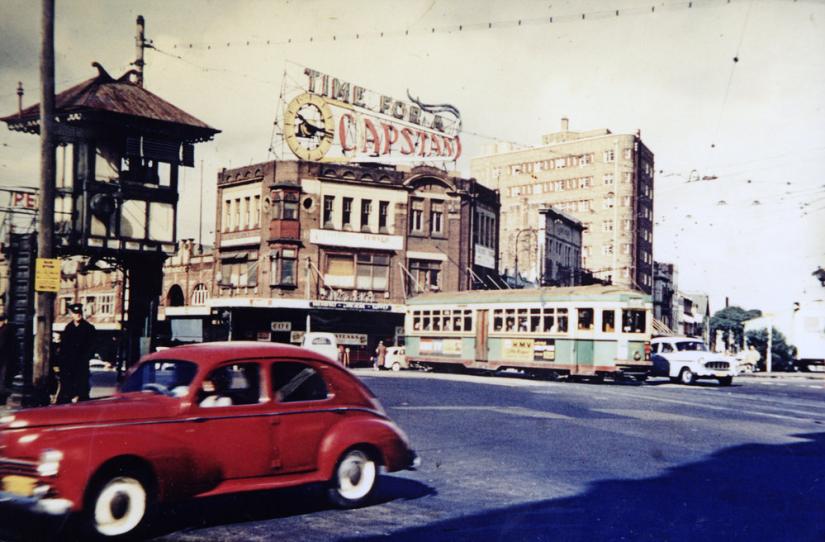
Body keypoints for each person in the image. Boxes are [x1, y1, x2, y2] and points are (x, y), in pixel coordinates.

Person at [57, 304, 96, 404]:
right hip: (69, 362)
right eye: (75, 313)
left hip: (81, 362)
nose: (78, 315)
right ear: (71, 314)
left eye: (79, 313)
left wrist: (86, 357)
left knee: (82, 384)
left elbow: (92, 345)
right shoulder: (68, 328)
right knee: (67, 384)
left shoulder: (89, 328)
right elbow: (64, 346)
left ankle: (82, 400)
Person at [0, 314, 15, 402]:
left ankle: (2, 398)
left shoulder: (5, 330)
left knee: (3, 378)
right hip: (4, 358)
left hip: (4, 358)